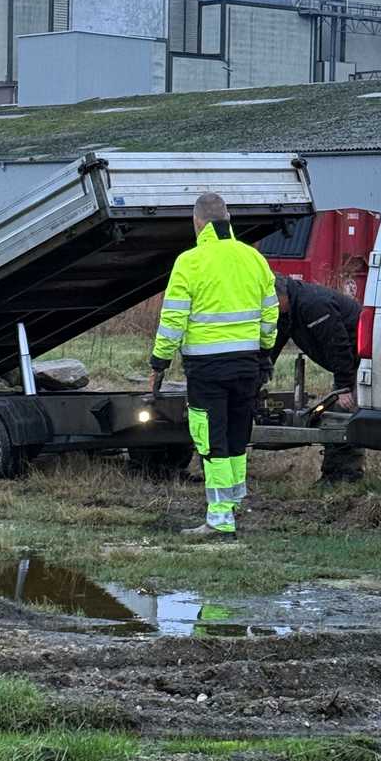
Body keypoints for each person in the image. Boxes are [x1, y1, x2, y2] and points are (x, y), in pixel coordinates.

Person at [149, 193, 278, 538]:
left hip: (207, 370)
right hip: (247, 366)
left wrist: (159, 361)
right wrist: (264, 350)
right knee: (237, 437)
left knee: (212, 442)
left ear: (197, 222)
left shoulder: (189, 262)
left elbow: (173, 319)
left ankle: (220, 519)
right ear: (228, 219)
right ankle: (233, 505)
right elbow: (270, 314)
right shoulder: (254, 259)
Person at [265, 273, 366, 484]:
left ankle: (344, 475)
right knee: (336, 412)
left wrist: (343, 387)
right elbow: (273, 345)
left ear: (280, 296)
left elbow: (338, 345)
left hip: (361, 358)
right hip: (348, 361)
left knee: (341, 414)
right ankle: (333, 472)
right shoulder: (287, 310)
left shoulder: (313, 305)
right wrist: (260, 373)